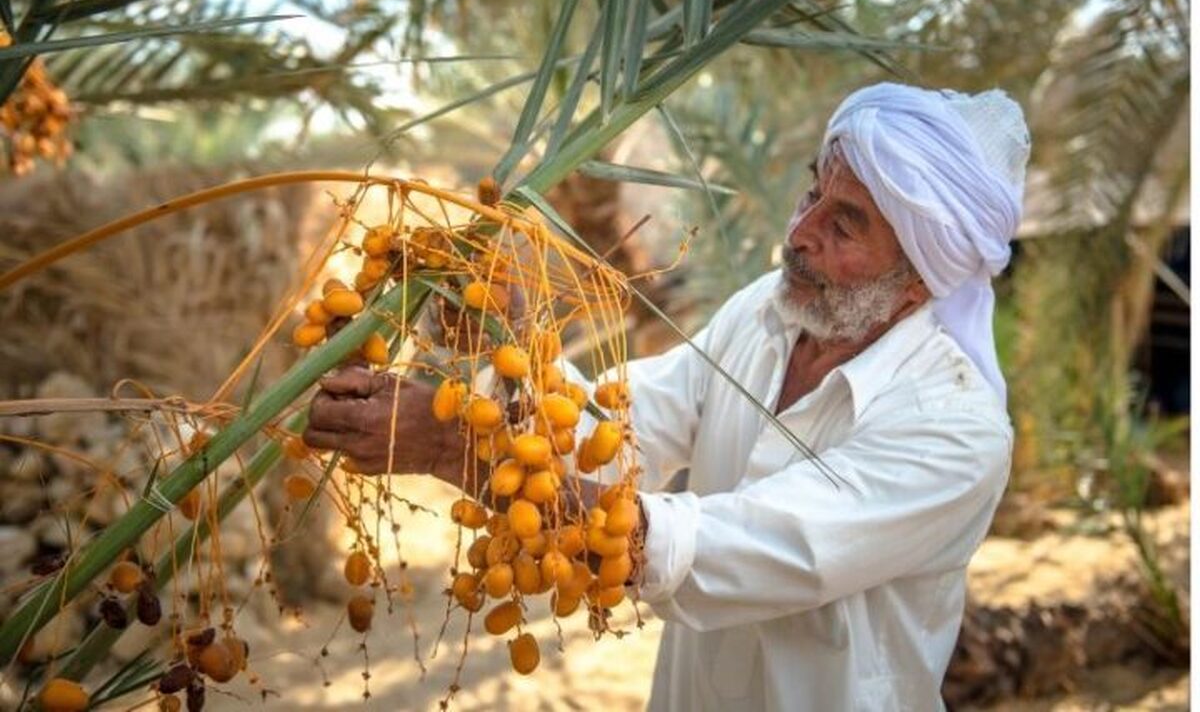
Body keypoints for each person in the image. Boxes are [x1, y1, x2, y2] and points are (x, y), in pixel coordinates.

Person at [303, 82, 1031, 711]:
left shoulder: (955, 430)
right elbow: (616, 433)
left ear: (921, 280)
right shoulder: (766, 313)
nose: (799, 233)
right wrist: (505, 350)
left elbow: (723, 549)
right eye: (813, 191)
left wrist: (444, 446)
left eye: (844, 224)